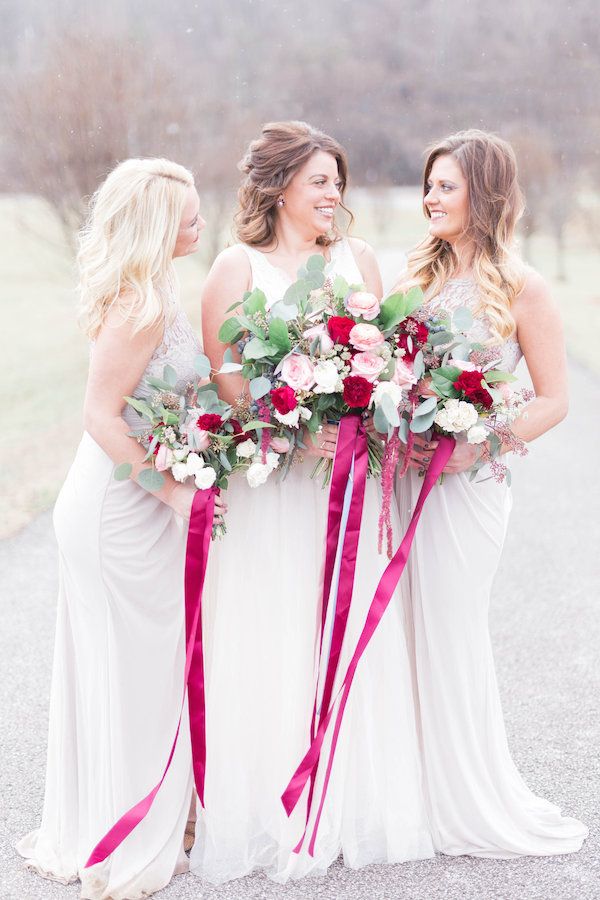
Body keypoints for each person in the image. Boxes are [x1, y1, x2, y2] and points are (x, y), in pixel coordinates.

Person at [190, 121, 434, 884]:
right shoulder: (235, 266)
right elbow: (226, 375)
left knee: (339, 622)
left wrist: (365, 408)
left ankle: (348, 801)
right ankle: (266, 808)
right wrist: (289, 430)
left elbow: (391, 355)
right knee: (272, 622)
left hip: (348, 486)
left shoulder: (357, 261)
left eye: (338, 181)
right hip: (275, 488)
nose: (334, 194)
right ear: (278, 187)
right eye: (321, 181)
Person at [17, 158, 226, 899]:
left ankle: (144, 812)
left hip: (135, 499)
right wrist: (170, 490)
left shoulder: (162, 291)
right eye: (189, 212)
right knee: (133, 665)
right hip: (117, 508)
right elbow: (100, 416)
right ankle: (127, 830)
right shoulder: (140, 305)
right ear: (154, 224)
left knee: (144, 665)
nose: (201, 221)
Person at [394, 129, 588, 857]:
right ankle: (405, 789)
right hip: (403, 478)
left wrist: (477, 443)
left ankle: (464, 795)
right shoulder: (412, 278)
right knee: (400, 634)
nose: (431, 199)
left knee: (449, 627)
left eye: (446, 186)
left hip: (468, 487)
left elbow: (554, 398)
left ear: (485, 193)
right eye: (429, 185)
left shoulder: (523, 286)